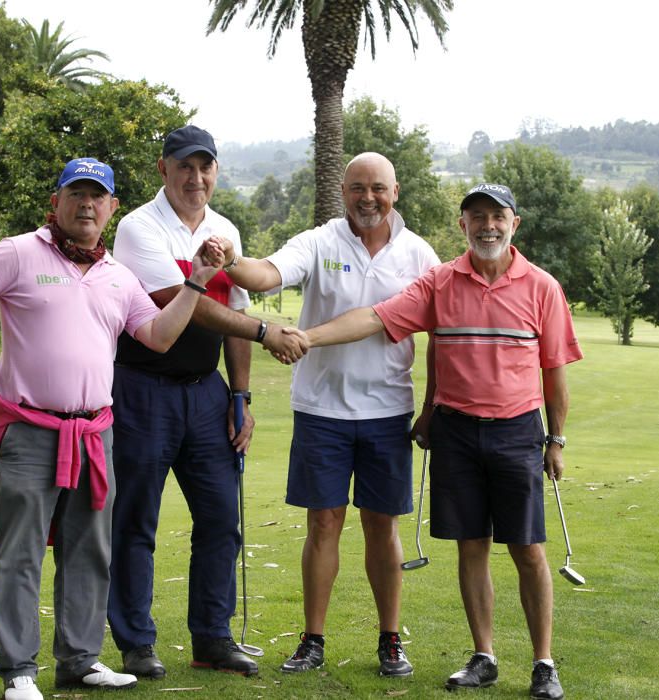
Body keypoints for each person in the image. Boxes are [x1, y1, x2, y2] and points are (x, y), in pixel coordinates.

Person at [0, 158, 224, 700]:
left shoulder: (119, 276)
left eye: (98, 196)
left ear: (112, 207)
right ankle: (18, 671)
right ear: (57, 201)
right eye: (77, 194)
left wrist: (197, 282)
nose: (87, 205)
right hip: (30, 431)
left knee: (90, 550)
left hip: (95, 435)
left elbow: (159, 336)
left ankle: (80, 660)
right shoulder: (21, 252)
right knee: (20, 552)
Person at [295, 183, 583, 700]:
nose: (487, 226)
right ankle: (484, 656)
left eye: (497, 217)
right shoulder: (440, 283)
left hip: (518, 430)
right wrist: (307, 337)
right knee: (471, 547)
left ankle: (544, 663)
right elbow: (376, 318)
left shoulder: (542, 287)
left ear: (514, 224)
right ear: (463, 225)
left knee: (528, 550)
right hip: (456, 432)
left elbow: (554, 370)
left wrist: (556, 440)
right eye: (477, 217)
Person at [205, 152, 439, 677]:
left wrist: (431, 407)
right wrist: (229, 261)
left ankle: (390, 639)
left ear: (395, 192)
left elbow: (440, 334)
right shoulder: (319, 240)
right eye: (357, 188)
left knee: (383, 526)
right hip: (322, 409)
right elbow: (266, 275)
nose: (368, 198)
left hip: (387, 409)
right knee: (324, 523)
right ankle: (312, 639)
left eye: (378, 188)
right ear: (343, 192)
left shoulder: (419, 254)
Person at [107, 125, 305, 679]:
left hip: (205, 391)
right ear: (163, 168)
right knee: (135, 520)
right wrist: (267, 329)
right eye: (184, 166)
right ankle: (136, 642)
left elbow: (232, 322)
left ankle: (212, 638)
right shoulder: (138, 228)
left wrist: (239, 394)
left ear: (216, 171)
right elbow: (178, 301)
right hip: (143, 387)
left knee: (221, 518)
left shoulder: (224, 230)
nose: (196, 178)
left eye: (205, 167)